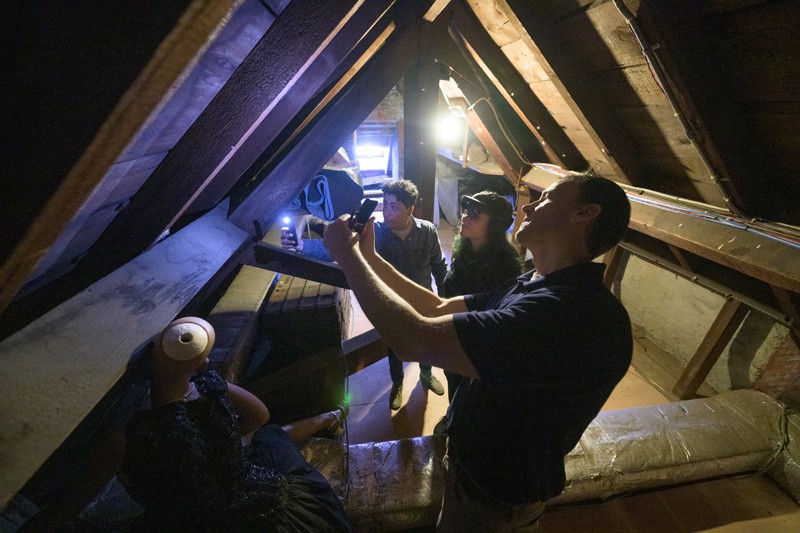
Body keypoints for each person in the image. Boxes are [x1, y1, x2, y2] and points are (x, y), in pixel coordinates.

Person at [322, 172, 632, 531]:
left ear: (585, 213)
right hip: (473, 470)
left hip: (497, 495)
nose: (528, 206)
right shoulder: (532, 283)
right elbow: (437, 307)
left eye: (545, 198)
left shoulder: (571, 312)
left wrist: (348, 257)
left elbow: (413, 339)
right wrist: (368, 258)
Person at [22, 317, 353, 532]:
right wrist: (220, 446)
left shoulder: (127, 435)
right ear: (203, 361)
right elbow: (260, 417)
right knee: (271, 437)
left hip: (203, 520)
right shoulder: (212, 384)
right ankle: (331, 416)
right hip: (262, 495)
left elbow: (73, 502)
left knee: (269, 439)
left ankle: (330, 417)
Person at [283, 179, 448, 410]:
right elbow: (334, 249)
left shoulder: (427, 232)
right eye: (386, 205)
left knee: (427, 339)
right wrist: (301, 246)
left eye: (395, 207)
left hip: (422, 297)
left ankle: (426, 373)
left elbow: (439, 266)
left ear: (410, 209)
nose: (388, 213)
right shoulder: (376, 233)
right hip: (392, 300)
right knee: (394, 343)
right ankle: (398, 383)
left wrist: (443, 299)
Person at [434, 191, 523, 435]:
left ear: (494, 225)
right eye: (465, 210)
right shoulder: (466, 249)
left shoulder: (505, 266)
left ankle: (463, 425)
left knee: (470, 390)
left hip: (476, 344)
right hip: (454, 333)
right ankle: (454, 413)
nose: (465, 216)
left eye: (475, 213)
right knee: (454, 382)